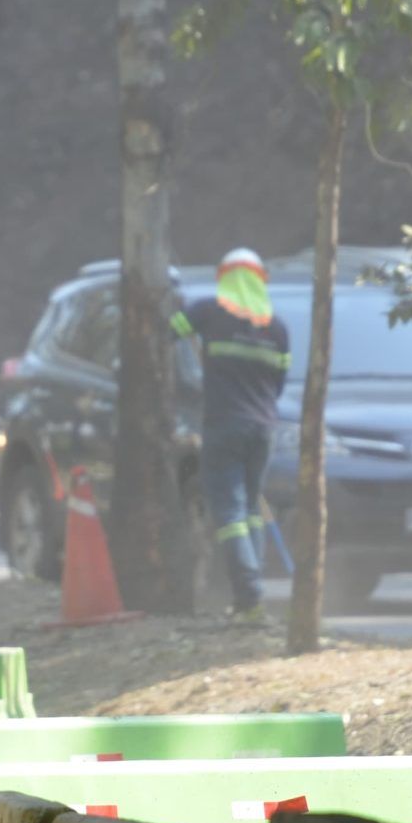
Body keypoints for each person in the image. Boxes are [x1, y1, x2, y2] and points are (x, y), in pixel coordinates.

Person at [173, 246, 292, 621]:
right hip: (264, 428)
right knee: (252, 509)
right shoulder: (277, 328)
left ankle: (250, 596)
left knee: (229, 512)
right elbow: (279, 385)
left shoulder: (209, 311)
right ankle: (251, 598)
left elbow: (168, 330)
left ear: (224, 277)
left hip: (224, 424)